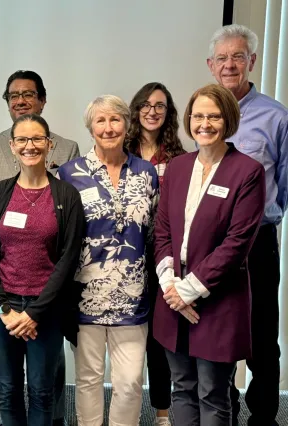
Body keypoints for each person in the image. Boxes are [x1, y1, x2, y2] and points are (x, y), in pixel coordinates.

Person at [153, 83, 266, 425]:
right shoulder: (178, 167)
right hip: (173, 296)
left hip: (217, 300)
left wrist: (187, 291)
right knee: (182, 388)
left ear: (228, 119)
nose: (205, 123)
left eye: (214, 116)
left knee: (213, 395)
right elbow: (162, 231)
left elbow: (237, 244)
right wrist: (169, 283)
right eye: (198, 115)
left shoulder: (247, 171)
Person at [0, 70, 79, 425]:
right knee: (7, 389)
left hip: (45, 309)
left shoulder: (65, 195)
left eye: (38, 139)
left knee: (43, 391)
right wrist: (4, 307)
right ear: (12, 146)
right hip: (2, 308)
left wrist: (34, 313)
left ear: (49, 144)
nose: (30, 146)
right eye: (23, 140)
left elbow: (67, 258)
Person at [58, 95, 158, 426]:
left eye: (115, 119)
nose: (108, 127)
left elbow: (157, 232)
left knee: (129, 383)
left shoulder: (147, 173)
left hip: (133, 298)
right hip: (85, 296)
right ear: (90, 128)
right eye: (100, 120)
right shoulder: (70, 174)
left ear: (127, 125)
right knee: (87, 380)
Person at [207, 24, 288, 426]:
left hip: (256, 242)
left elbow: (284, 185)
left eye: (238, 56)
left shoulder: (276, 117)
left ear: (252, 61)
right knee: (219, 332)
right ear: (210, 64)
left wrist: (262, 219)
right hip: (212, 245)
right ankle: (224, 413)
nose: (229, 65)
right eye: (222, 58)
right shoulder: (204, 113)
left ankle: (264, 416)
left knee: (260, 334)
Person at [125, 82, 186, 426]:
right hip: (127, 256)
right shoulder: (122, 150)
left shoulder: (179, 156)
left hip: (164, 257)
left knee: (160, 340)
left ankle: (162, 413)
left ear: (168, 112)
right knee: (131, 337)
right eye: (147, 105)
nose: (153, 111)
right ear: (136, 109)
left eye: (160, 106)